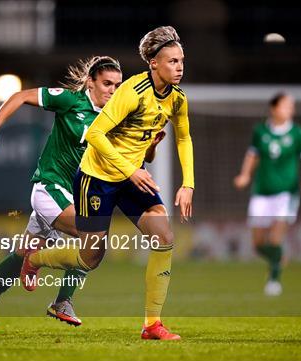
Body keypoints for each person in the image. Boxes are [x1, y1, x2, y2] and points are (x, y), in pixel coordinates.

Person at [20, 25, 194, 341]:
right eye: (172, 61)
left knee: (164, 236)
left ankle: (152, 325)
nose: (179, 67)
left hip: (131, 177)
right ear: (153, 63)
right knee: (91, 257)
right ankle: (34, 259)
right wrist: (131, 170)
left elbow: (183, 137)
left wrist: (188, 184)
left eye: (181, 60)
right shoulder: (131, 92)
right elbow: (97, 134)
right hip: (97, 177)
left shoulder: (177, 99)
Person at [0, 56, 128, 334]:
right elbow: (19, 96)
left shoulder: (116, 117)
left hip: (75, 196)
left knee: (21, 254)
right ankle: (61, 300)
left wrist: (149, 149)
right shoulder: (71, 101)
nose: (112, 90)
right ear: (90, 82)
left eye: (117, 85)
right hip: (49, 187)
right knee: (93, 238)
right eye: (106, 83)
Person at [234, 92, 301, 296]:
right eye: (286, 106)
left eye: (292, 106)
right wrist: (245, 175)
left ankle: (274, 280)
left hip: (286, 194)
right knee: (258, 245)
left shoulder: (298, 133)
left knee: (275, 240)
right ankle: (279, 257)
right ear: (273, 109)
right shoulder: (260, 131)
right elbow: (252, 155)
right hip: (261, 192)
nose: (290, 110)